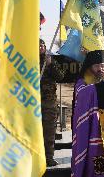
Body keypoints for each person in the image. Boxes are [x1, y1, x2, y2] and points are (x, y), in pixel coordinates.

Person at [39, 38, 63, 167]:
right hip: (33, 101)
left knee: (49, 132)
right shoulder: (29, 60)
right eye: (38, 45)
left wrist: (50, 64)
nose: (41, 47)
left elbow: (60, 76)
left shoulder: (50, 61)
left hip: (49, 102)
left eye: (43, 45)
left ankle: (49, 157)